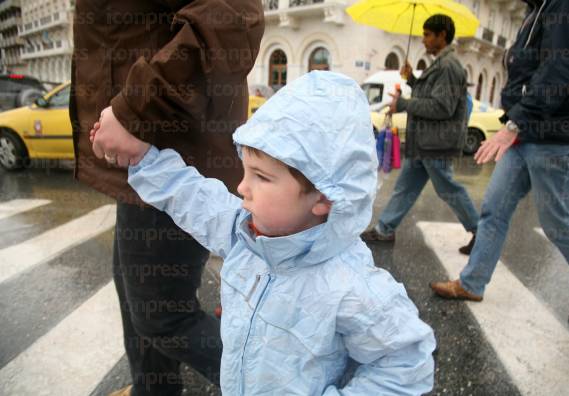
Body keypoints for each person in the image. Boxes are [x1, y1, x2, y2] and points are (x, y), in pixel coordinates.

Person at [90, 71, 436, 395]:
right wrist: (142, 157)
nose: (243, 186)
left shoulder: (351, 285)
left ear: (324, 197)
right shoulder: (246, 236)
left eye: (262, 177)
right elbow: (194, 197)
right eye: (246, 171)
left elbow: (406, 362)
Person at [68, 2, 265, 395]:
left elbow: (232, 14)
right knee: (137, 300)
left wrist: (136, 110)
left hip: (173, 162)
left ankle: (283, 386)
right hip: (144, 160)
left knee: (165, 315)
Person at [430, 0, 569, 326]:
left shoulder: (567, 4)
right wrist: (516, 121)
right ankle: (472, 283)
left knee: (558, 220)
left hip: (558, 133)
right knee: (494, 208)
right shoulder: (538, 9)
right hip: (526, 130)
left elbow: (559, 70)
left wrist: (516, 123)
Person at [362, 14, 479, 255]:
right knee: (405, 188)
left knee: (449, 189)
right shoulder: (440, 64)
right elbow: (432, 96)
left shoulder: (448, 66)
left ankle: (482, 233)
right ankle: (385, 229)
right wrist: (413, 80)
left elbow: (441, 107)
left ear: (442, 35)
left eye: (427, 34)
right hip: (425, 143)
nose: (423, 39)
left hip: (436, 143)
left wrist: (404, 104)